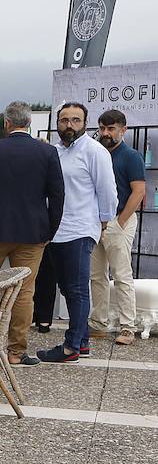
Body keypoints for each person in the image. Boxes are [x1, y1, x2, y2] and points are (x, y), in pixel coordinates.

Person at [0, 101, 66, 368]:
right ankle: (16, 350)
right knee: (24, 292)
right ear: (29, 122)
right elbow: (57, 196)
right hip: (33, 232)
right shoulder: (47, 152)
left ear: (6, 123)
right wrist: (50, 230)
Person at [37, 102, 117, 363]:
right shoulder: (55, 152)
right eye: (64, 120)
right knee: (68, 288)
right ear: (57, 123)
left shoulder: (94, 151)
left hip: (81, 228)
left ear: (85, 123)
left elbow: (107, 190)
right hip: (56, 230)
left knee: (78, 289)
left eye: (75, 120)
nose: (69, 125)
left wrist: (104, 220)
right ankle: (81, 343)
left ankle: (71, 346)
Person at [91, 109, 147, 346]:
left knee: (122, 275)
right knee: (96, 275)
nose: (106, 133)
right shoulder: (96, 153)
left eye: (111, 128)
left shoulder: (131, 156)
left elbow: (139, 191)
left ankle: (127, 327)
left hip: (118, 219)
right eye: (102, 128)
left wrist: (121, 221)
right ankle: (99, 323)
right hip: (95, 221)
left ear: (123, 130)